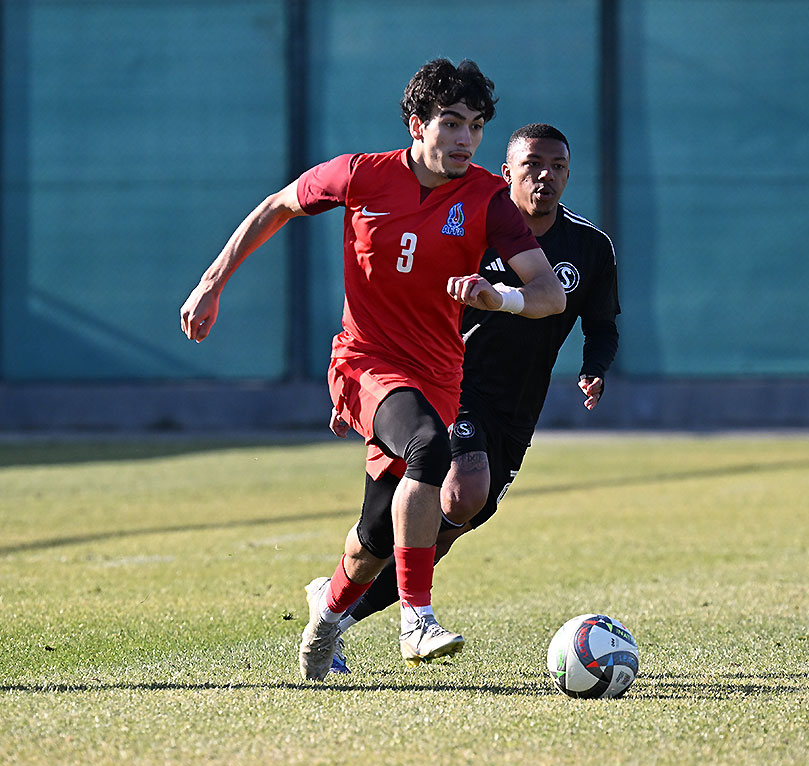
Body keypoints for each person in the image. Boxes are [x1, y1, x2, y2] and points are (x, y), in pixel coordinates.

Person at [180, 61, 566, 681]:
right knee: (429, 448)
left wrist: (500, 298)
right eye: (451, 123)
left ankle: (325, 616)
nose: (466, 139)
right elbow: (277, 206)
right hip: (364, 363)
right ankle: (417, 618)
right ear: (417, 125)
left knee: (375, 539)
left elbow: (550, 295)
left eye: (475, 126)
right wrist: (211, 283)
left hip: (438, 376)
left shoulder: (489, 199)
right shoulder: (361, 174)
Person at [327, 123, 620, 673]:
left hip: (518, 406)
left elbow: (601, 324)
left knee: (443, 530)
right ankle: (411, 619)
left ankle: (337, 609)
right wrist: (365, 383)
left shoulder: (590, 246)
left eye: (558, 166)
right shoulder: (473, 228)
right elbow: (402, 303)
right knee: (463, 491)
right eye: (532, 165)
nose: (545, 176)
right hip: (450, 383)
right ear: (506, 173)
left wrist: (594, 368)